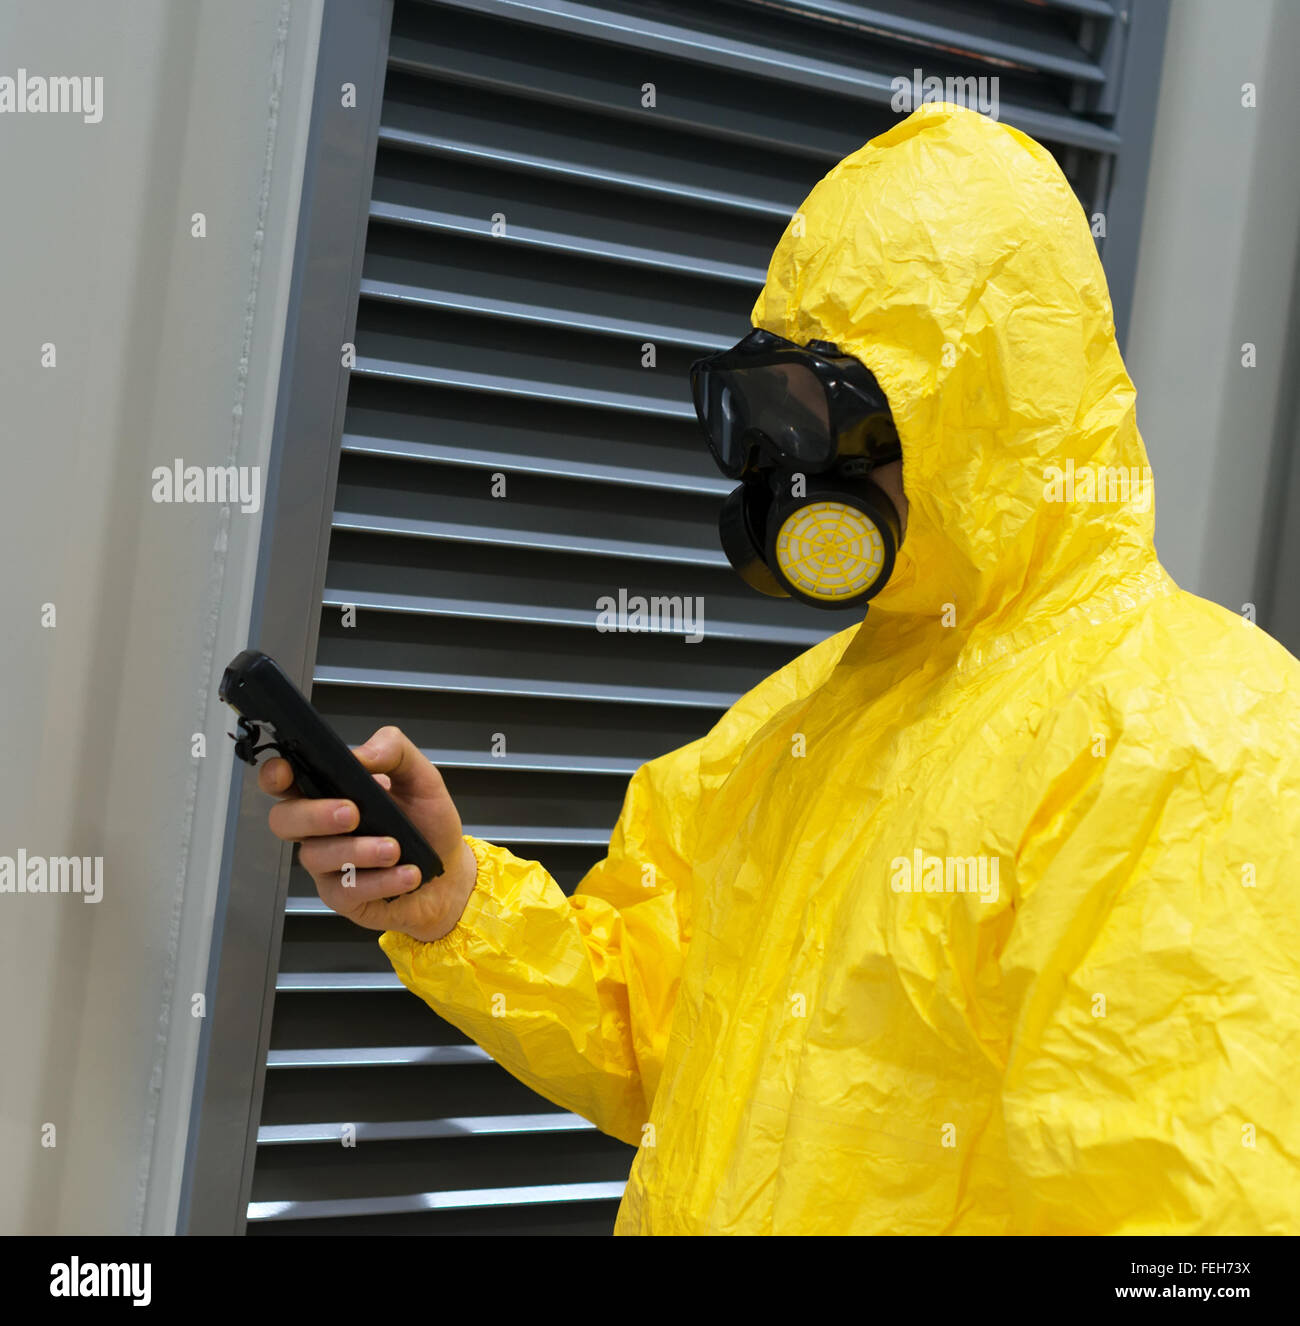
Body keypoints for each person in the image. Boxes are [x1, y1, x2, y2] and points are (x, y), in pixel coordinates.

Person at [259, 102, 1300, 1234]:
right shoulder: (799, 723)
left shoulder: (1197, 737)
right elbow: (656, 1036)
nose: (796, 473)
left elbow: (1183, 1216)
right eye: (772, 415)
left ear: (989, 404)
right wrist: (459, 908)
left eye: (829, 415)